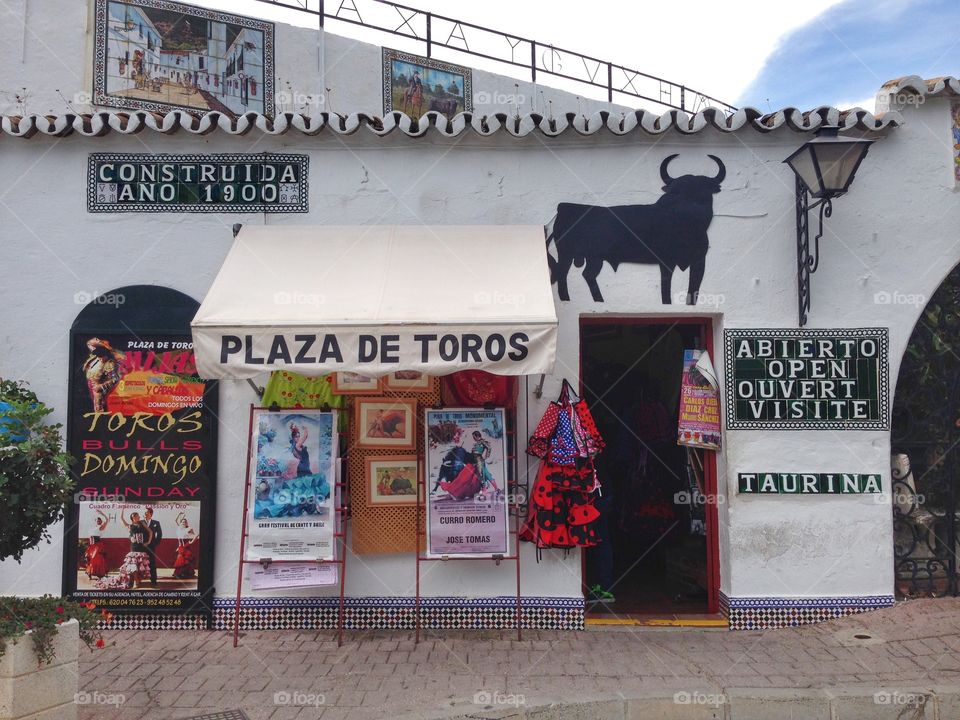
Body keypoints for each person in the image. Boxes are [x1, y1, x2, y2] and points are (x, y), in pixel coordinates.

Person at [81, 337, 126, 412]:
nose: (100, 358)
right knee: (94, 405)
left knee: (99, 407)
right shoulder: (96, 355)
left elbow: (115, 379)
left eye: (102, 356)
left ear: (106, 355)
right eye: (99, 356)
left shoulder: (110, 364)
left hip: (98, 386)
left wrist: (101, 387)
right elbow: (89, 343)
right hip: (89, 383)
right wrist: (102, 343)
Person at [118, 510, 152, 589]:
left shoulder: (143, 523)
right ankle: (135, 581)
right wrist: (122, 509)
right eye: (135, 516)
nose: (137, 517)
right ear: (132, 518)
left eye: (137, 516)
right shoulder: (130, 526)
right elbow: (121, 518)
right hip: (134, 547)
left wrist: (148, 542)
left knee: (140, 565)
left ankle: (138, 580)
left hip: (142, 547)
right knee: (133, 565)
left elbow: (150, 532)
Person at [85, 509, 110, 580]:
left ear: (101, 522)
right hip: (91, 545)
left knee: (96, 558)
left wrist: (102, 513)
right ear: (95, 521)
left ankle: (100, 573)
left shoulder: (101, 527)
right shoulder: (93, 528)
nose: (98, 521)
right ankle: (90, 572)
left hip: (97, 545)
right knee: (90, 559)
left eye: (100, 520)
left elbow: (107, 520)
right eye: (97, 520)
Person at [172, 513, 198, 579]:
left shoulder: (189, 529)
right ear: (180, 523)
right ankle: (182, 573)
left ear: (187, 523)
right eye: (182, 522)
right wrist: (179, 514)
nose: (184, 523)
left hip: (186, 546)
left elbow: (196, 535)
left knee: (184, 560)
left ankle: (182, 573)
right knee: (181, 560)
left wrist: (191, 542)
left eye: (185, 522)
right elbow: (175, 520)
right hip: (181, 547)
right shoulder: (179, 528)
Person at [144, 507, 162, 587]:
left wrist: (155, 543)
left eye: (147, 512)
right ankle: (137, 580)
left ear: (151, 514)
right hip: (141, 546)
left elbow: (159, 534)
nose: (145, 514)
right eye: (144, 513)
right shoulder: (140, 522)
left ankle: (154, 581)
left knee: (152, 563)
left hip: (151, 546)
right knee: (139, 562)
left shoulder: (156, 522)